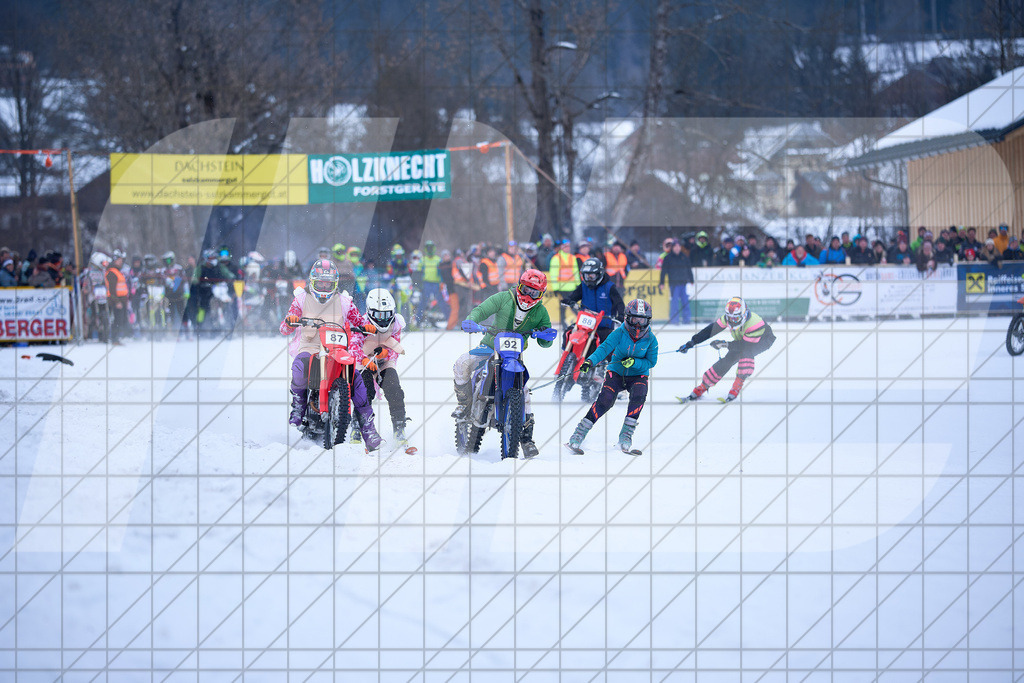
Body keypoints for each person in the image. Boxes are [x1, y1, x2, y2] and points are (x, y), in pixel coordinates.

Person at [281, 259, 382, 450]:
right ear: (312, 282)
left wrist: (366, 326)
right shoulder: (301, 299)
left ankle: (368, 428)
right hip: (311, 346)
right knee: (300, 366)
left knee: (356, 378)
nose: (324, 287)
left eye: (328, 284)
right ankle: (299, 404)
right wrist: (290, 320)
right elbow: (284, 327)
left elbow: (358, 320)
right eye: (320, 283)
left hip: (337, 348)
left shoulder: (345, 302)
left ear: (335, 284)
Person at [452, 269, 554, 458]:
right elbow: (481, 310)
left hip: (514, 356)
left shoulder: (541, 311)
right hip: (489, 346)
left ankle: (526, 438)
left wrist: (545, 334)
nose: (529, 295)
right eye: (526, 289)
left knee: (524, 391)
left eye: (534, 292)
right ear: (519, 286)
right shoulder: (504, 297)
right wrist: (472, 321)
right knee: (462, 363)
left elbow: (546, 341)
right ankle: (464, 404)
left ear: (541, 294)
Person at [566, 298, 658, 454]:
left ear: (648, 321)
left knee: (639, 395)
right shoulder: (619, 333)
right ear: (628, 318)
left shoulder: (651, 339)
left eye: (642, 320)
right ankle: (578, 434)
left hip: (638, 376)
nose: (638, 324)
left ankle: (625, 436)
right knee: (605, 401)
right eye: (635, 319)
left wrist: (634, 362)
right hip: (616, 373)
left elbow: (651, 362)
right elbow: (604, 348)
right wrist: (590, 361)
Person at [679, 296, 776, 402]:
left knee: (746, 354)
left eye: (735, 318)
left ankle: (737, 386)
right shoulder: (727, 318)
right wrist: (692, 342)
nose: (732, 321)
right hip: (743, 339)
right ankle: (703, 386)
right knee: (727, 361)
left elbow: (745, 346)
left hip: (762, 340)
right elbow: (710, 330)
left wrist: (725, 345)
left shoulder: (755, 324)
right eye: (729, 318)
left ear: (744, 314)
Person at [356, 288, 410, 442]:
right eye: (379, 315)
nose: (383, 319)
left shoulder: (396, 324)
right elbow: (354, 346)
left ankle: (399, 428)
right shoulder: (361, 323)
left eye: (387, 315)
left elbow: (396, 347)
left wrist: (386, 354)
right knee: (364, 392)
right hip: (363, 363)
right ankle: (358, 427)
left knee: (395, 389)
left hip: (384, 362)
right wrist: (365, 360)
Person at [560, 257, 625, 355]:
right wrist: (569, 301)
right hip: (585, 325)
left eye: (592, 276)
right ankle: (567, 356)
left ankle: (607, 364)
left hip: (604, 325)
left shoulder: (609, 287)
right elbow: (573, 296)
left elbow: (619, 303)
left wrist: (621, 315)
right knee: (568, 332)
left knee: (609, 344)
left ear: (599, 274)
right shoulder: (583, 286)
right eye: (586, 276)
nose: (589, 279)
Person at [658, 239, 694, 324]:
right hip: (674, 284)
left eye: (678, 246)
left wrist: (691, 279)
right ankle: (674, 320)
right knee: (675, 303)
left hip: (683, 283)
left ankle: (687, 319)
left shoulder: (684, 257)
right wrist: (662, 282)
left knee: (685, 302)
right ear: (673, 248)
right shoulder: (668, 258)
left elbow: (689, 269)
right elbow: (663, 271)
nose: (677, 248)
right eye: (675, 246)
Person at [106, 249, 131, 342]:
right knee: (117, 320)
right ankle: (114, 338)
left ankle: (118, 337)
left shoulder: (117, 271)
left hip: (121, 300)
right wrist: (117, 302)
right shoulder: (112, 272)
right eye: (119, 260)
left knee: (121, 320)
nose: (121, 262)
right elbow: (112, 290)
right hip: (117, 301)